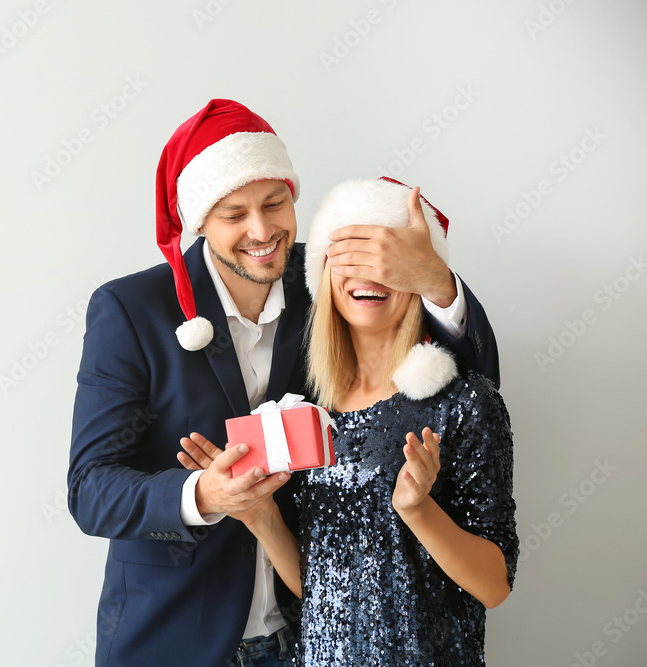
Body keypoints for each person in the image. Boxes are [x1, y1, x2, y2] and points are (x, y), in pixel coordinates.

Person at [67, 99, 500, 667]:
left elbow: (471, 380)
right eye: (234, 215)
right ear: (201, 221)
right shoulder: (131, 309)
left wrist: (437, 282)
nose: (262, 230)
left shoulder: (324, 279)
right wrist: (202, 495)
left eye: (275, 203)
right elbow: (90, 490)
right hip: (172, 638)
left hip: (315, 638)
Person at [180, 178, 519, 665]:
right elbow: (321, 590)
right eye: (351, 257)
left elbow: (494, 586)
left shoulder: (464, 401)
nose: (370, 275)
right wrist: (260, 516)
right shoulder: (312, 409)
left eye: (387, 261)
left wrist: (418, 510)